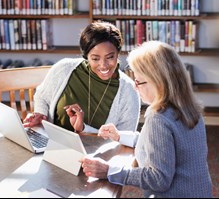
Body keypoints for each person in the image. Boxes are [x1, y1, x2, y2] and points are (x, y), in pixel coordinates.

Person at [81, 41, 213, 198]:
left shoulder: (159, 118)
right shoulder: (188, 107)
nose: (135, 87)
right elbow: (161, 147)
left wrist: (109, 171)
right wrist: (119, 136)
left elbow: (159, 179)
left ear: (158, 81)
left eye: (139, 81)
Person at [23, 21, 140, 134]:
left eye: (110, 57)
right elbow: (42, 97)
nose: (103, 65)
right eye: (95, 58)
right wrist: (40, 114)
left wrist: (83, 129)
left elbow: (124, 141)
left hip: (94, 153)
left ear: (118, 53)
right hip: (51, 145)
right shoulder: (64, 68)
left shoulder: (129, 92)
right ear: (86, 56)